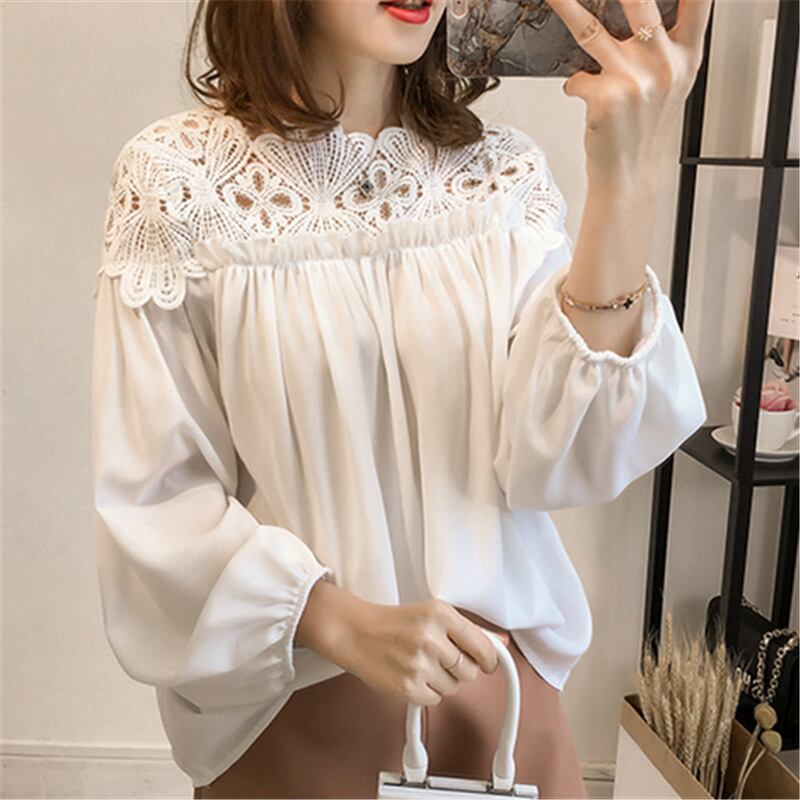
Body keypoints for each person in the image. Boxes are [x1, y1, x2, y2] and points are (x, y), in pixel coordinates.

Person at [90, 0, 713, 797]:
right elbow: (155, 497)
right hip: (300, 728)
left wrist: (629, 173)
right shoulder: (179, 181)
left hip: (510, 724)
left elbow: (565, 459)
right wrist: (340, 621)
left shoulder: (502, 176)